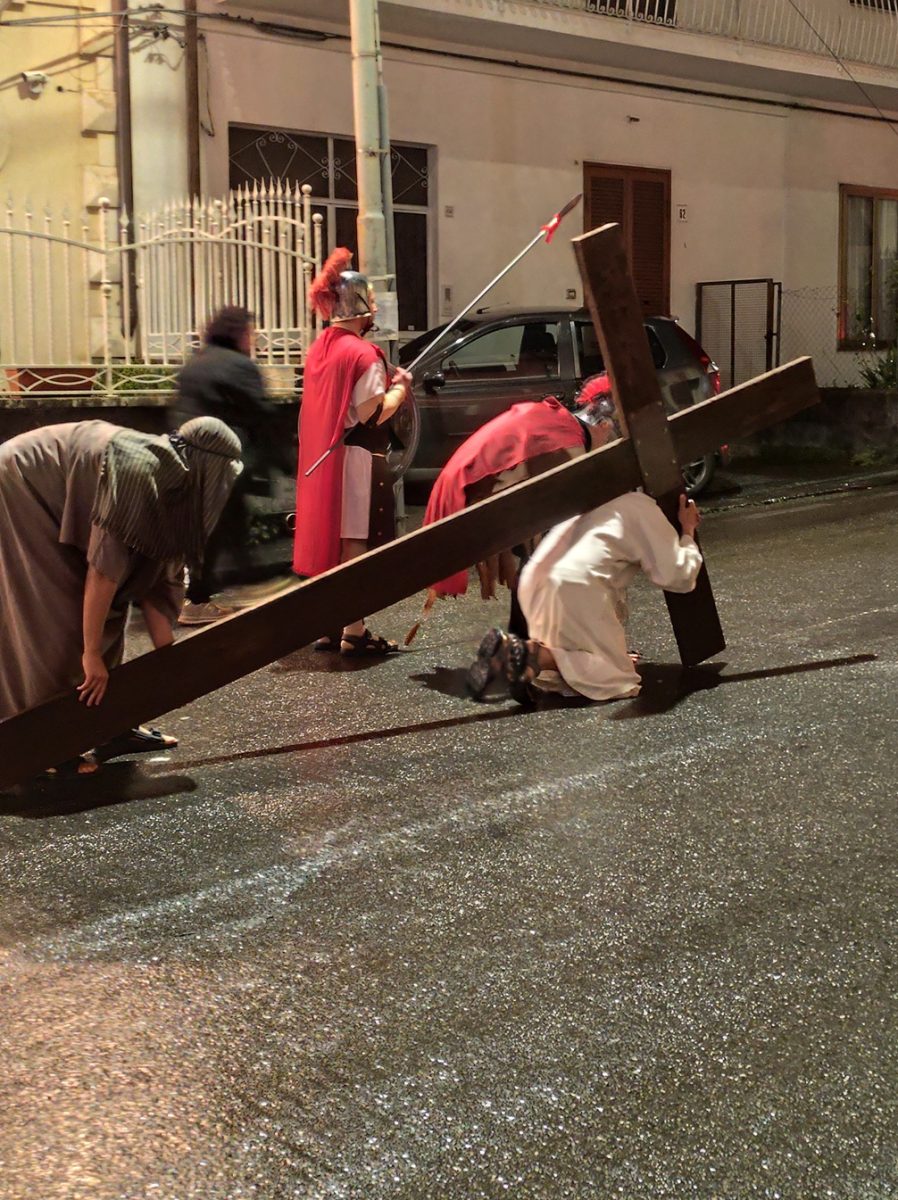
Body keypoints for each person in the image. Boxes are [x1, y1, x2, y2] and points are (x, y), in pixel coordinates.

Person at [0, 416, 243, 773]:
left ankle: (110, 727)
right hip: (22, 484)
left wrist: (170, 661)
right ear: (209, 467)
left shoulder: (177, 487)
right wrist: (92, 654)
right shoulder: (139, 472)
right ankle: (46, 746)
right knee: (54, 615)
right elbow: (104, 569)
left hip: (53, 485)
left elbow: (157, 578)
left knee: (108, 608)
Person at [420, 377, 622, 636]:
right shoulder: (568, 442)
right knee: (548, 552)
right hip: (468, 485)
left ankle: (526, 635)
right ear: (603, 424)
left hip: (470, 478)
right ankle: (534, 638)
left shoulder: (560, 422)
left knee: (541, 553)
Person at [466, 491, 703, 703]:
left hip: (535, 580)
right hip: (575, 589)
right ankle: (537, 654)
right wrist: (688, 531)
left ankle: (525, 656)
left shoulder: (589, 498)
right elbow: (677, 575)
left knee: (585, 665)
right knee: (617, 678)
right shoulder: (642, 507)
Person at [293, 248, 413, 655]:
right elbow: (373, 414)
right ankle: (354, 630)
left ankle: (326, 624)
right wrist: (401, 387)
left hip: (322, 455)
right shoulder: (363, 353)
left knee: (333, 538)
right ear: (361, 306)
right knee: (352, 542)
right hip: (354, 456)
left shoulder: (320, 347)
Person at [173, 305, 279, 626]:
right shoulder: (238, 366)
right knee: (221, 525)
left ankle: (215, 590)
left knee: (214, 525)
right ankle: (205, 596)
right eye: (250, 332)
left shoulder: (197, 363)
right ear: (238, 333)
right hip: (222, 457)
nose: (253, 339)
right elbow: (260, 413)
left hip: (185, 454)